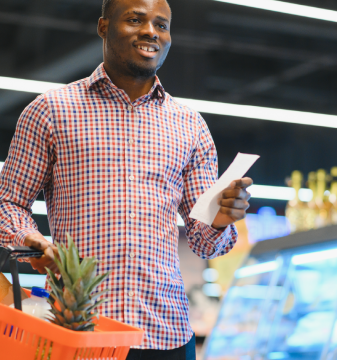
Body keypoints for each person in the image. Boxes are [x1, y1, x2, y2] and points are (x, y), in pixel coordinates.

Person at [0, 0, 251, 359]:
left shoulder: (190, 126)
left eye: (162, 25)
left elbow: (203, 241)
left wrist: (221, 219)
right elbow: (8, 203)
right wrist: (33, 241)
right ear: (103, 27)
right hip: (81, 332)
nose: (151, 31)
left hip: (167, 334)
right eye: (135, 20)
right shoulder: (51, 111)